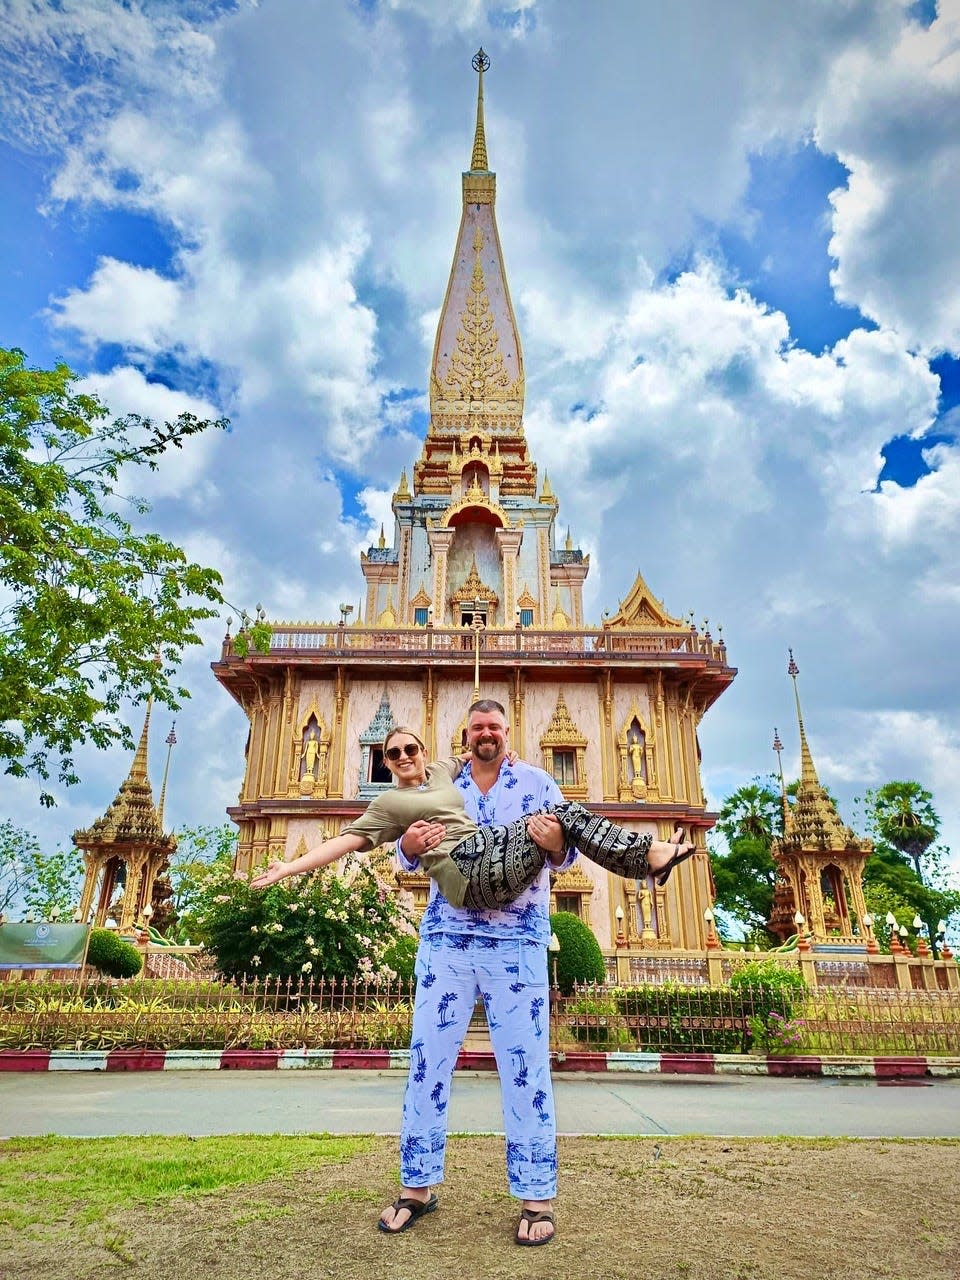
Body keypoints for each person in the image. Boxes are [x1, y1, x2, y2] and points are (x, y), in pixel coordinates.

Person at [251, 728, 694, 912]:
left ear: (424, 752)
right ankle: (650, 858)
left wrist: (508, 755)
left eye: (410, 748)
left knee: (563, 816)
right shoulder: (387, 805)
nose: (404, 757)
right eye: (393, 753)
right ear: (384, 762)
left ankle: (649, 862)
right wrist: (287, 867)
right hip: (464, 874)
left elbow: (479, 749)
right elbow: (342, 843)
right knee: (564, 812)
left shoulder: (443, 772)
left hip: (490, 860)